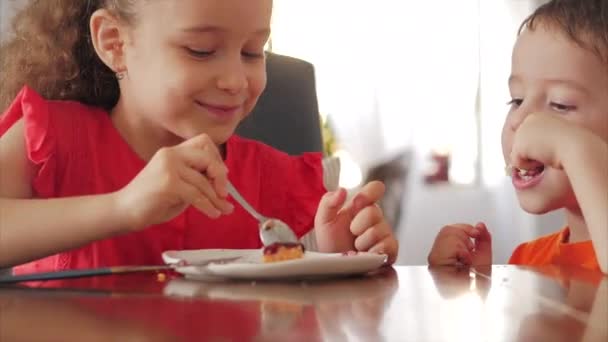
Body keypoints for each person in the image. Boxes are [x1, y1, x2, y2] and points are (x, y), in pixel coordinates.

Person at [0, 0, 399, 273]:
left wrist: (337, 259)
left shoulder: (275, 180)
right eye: (201, 50)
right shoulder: (53, 138)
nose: (234, 81)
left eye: (252, 52)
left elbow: (298, 315)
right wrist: (124, 207)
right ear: (115, 43)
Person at [428, 0, 608, 273]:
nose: (520, 121)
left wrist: (572, 147)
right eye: (517, 100)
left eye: (561, 104)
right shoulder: (528, 260)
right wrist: (471, 280)